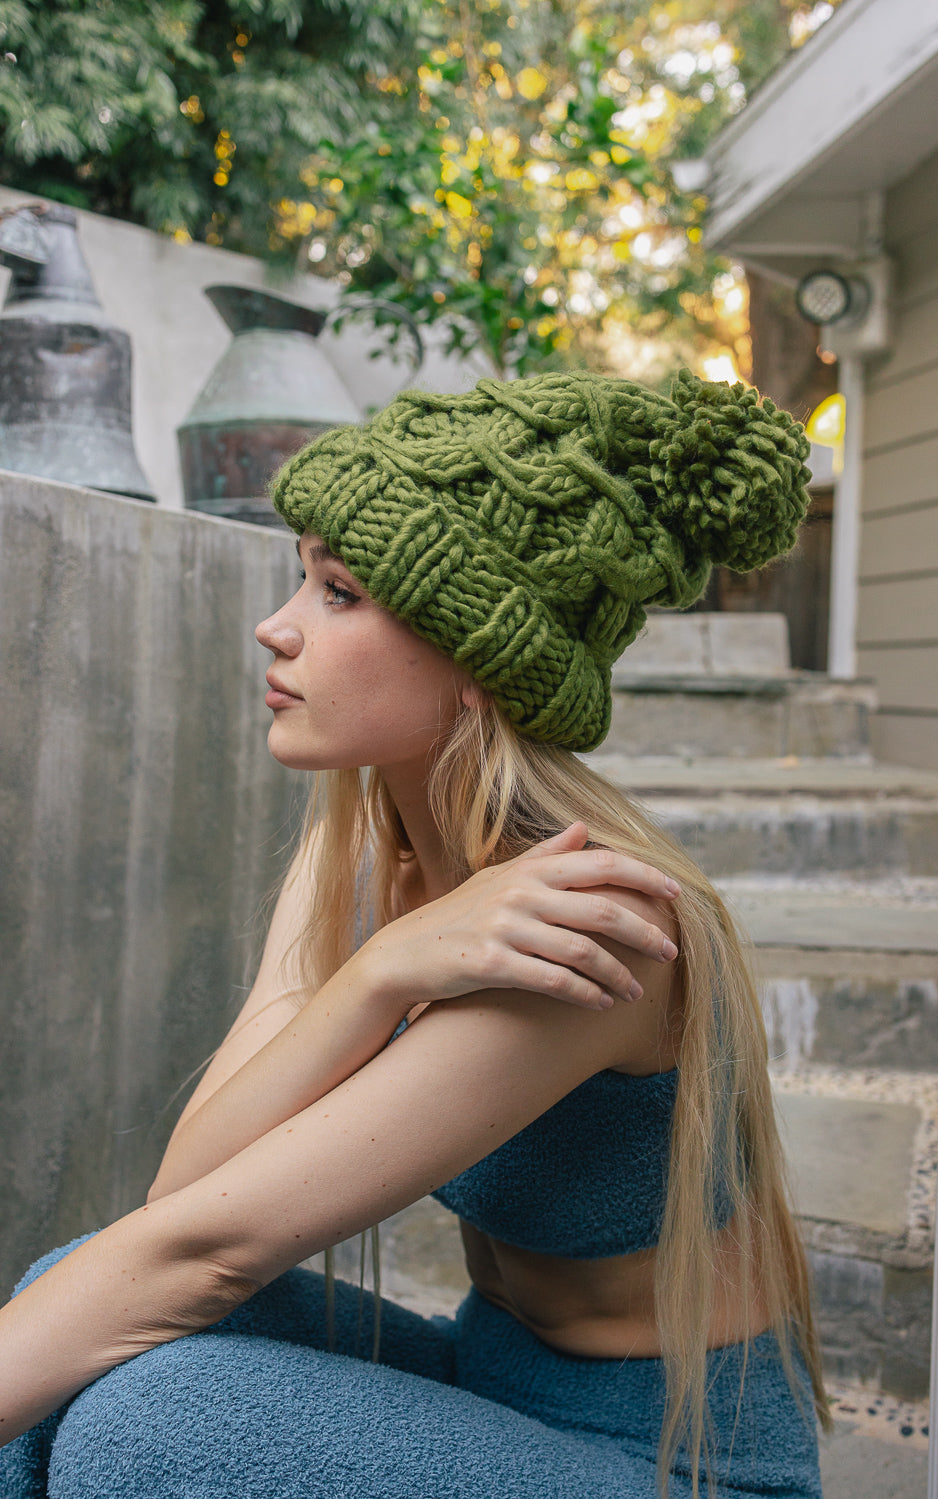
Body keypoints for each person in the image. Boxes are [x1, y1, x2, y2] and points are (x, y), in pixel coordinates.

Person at [0, 369, 829, 1497]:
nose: (276, 625)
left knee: (151, 1418)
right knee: (77, 1284)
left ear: (482, 663)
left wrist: (386, 967)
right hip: (492, 1388)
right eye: (302, 576)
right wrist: (381, 968)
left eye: (338, 591)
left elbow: (204, 1247)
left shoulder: (589, 928)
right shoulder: (364, 838)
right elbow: (191, 1192)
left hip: (665, 1462)